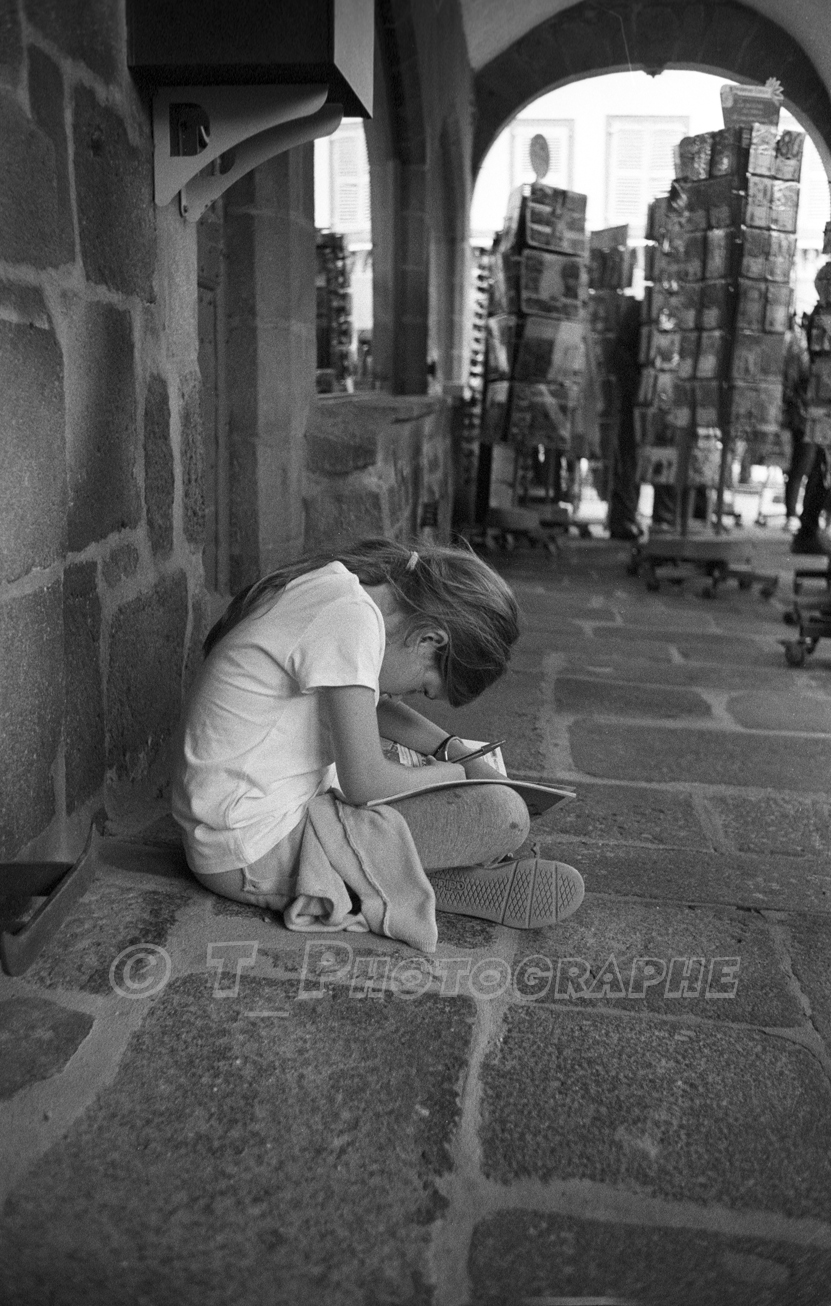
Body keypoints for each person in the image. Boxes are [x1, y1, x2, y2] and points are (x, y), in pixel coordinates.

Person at [171, 538, 584, 950]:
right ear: (430, 640)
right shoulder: (350, 619)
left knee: (452, 798)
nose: (408, 695)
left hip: (249, 831)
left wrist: (453, 750)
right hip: (251, 851)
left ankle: (401, 878)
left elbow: (376, 705)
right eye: (423, 688)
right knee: (504, 815)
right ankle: (403, 882)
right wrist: (454, 776)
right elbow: (366, 783)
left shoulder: (348, 596)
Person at [782, 313, 812, 532]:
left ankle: (794, 514)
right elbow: (795, 382)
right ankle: (792, 513)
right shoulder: (799, 349)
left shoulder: (798, 348)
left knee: (802, 465)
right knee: (801, 464)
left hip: (801, 414)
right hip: (802, 416)